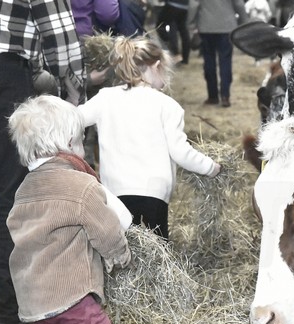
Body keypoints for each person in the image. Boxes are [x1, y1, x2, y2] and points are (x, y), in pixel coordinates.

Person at [7, 95, 131, 324]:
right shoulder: (80, 185)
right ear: (67, 143)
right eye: (80, 141)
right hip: (68, 293)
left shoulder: (23, 189)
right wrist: (119, 254)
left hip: (31, 296)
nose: (82, 147)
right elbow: (105, 228)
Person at [0, 0, 85, 324]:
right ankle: (9, 314)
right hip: (4, 76)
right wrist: (74, 87)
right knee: (12, 196)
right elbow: (59, 33)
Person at [79, 36, 222, 240]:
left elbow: (74, 118)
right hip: (152, 192)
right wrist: (210, 167)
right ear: (155, 66)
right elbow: (180, 152)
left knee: (123, 247)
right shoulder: (167, 106)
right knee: (157, 251)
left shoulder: (105, 98)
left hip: (114, 193)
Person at [188, 0, 249, 107]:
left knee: (209, 61)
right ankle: (225, 96)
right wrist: (244, 21)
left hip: (206, 26)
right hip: (227, 26)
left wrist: (191, 23)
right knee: (225, 61)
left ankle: (212, 96)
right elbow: (238, 3)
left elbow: (194, 4)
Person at [156, 0, 191, 65]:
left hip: (172, 5)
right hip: (185, 6)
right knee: (183, 30)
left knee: (162, 26)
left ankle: (175, 52)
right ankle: (185, 57)